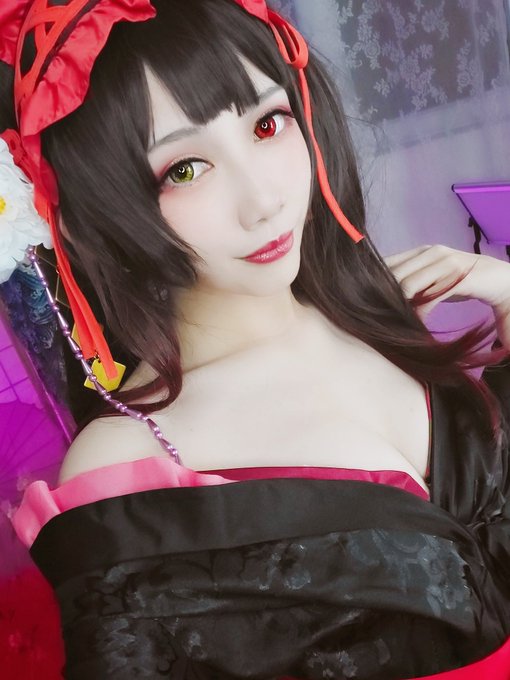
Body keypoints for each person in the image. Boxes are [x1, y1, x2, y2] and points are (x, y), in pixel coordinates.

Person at [2, 0, 510, 678]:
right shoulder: (127, 462)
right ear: (87, 216)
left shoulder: (367, 312)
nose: (264, 200)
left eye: (268, 124)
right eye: (185, 169)